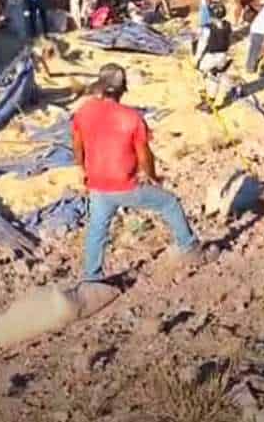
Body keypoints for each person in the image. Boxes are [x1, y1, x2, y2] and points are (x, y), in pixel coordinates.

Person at [72, 64, 201, 281]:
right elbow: (144, 156)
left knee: (97, 230)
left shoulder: (83, 112)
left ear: (101, 86)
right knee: (169, 203)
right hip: (125, 184)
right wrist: (152, 177)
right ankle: (189, 248)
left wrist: (83, 169)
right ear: (122, 89)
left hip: (96, 184)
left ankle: (92, 278)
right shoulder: (131, 117)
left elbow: (77, 146)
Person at [193, 1, 233, 108]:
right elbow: (229, 40)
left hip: (210, 56)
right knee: (215, 76)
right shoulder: (228, 25)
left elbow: (202, 44)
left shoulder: (207, 28)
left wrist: (196, 58)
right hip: (223, 55)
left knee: (200, 73)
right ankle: (210, 100)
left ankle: (203, 95)